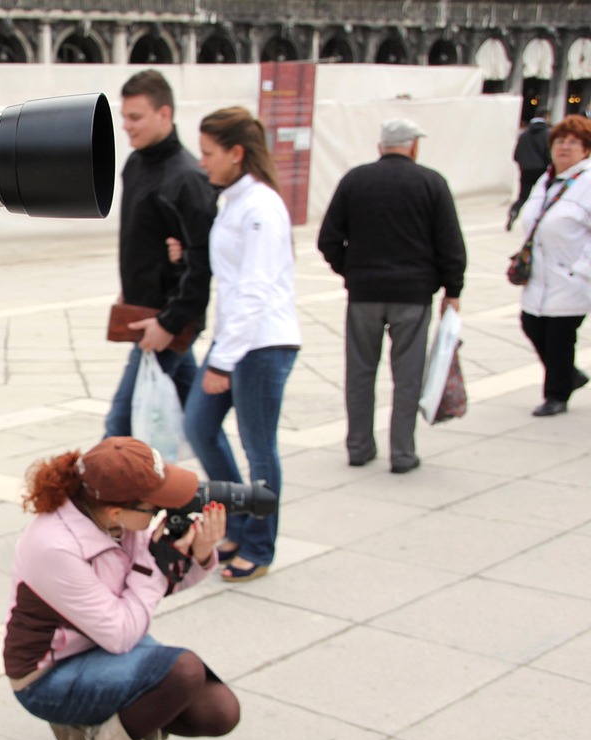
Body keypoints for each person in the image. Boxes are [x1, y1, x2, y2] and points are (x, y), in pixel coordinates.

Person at [4, 436, 239, 740]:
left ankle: (87, 730)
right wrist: (151, 566)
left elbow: (161, 586)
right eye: (155, 506)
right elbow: (122, 633)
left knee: (218, 711)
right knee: (184, 670)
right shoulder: (55, 545)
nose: (163, 512)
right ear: (116, 511)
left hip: (102, 646)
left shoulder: (119, 519)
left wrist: (199, 554)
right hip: (47, 675)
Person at [183, 107, 301, 582]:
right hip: (235, 339)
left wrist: (223, 362)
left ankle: (259, 546)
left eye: (208, 153)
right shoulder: (233, 201)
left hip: (262, 344)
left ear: (236, 153)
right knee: (199, 426)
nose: (202, 162)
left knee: (259, 450)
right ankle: (236, 519)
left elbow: (255, 289)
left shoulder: (260, 207)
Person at [317, 117, 466, 474]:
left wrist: (350, 271)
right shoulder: (431, 182)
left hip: (364, 294)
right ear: (414, 147)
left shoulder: (355, 180)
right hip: (413, 294)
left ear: (380, 147)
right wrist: (452, 288)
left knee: (360, 373)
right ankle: (402, 453)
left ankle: (359, 446)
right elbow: (450, 242)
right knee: (407, 376)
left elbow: (328, 239)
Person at [104, 70, 217, 438]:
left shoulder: (188, 178)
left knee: (119, 427)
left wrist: (169, 324)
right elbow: (141, 240)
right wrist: (129, 289)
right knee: (200, 426)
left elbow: (202, 264)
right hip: (143, 313)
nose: (126, 125)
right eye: (124, 116)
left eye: (135, 117)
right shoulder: (135, 164)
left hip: (165, 321)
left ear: (164, 114)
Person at [514, 114, 591, 417]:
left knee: (559, 336)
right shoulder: (545, 180)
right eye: (560, 141)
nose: (564, 147)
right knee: (531, 324)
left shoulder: (587, 182)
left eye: (573, 143)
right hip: (540, 274)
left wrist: (582, 269)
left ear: (586, 149)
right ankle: (569, 375)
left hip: (571, 276)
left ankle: (556, 394)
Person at [509, 109, 551, 231]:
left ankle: (514, 211)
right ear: (546, 117)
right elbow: (548, 154)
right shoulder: (547, 134)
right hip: (541, 170)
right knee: (543, 196)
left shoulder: (524, 134)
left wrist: (524, 164)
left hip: (525, 170)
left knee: (523, 196)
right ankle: (539, 220)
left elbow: (516, 155)